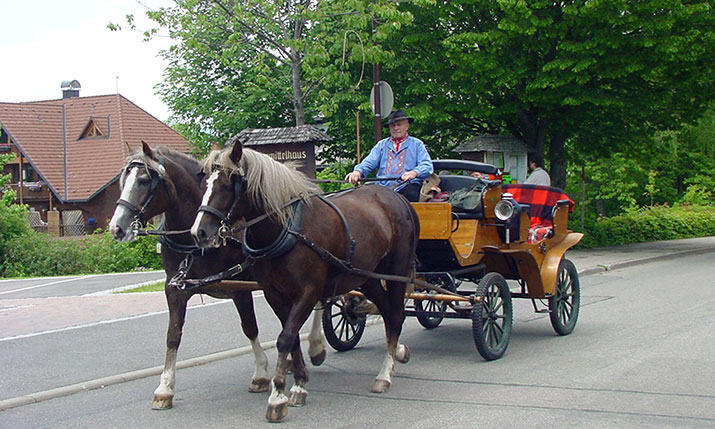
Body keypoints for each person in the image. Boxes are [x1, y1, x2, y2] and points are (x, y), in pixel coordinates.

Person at [345, 109, 433, 202]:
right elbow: (369, 161)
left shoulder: (417, 144)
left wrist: (414, 173)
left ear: (407, 126)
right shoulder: (381, 145)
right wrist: (358, 172)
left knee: (411, 194)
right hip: (383, 188)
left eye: (399, 124)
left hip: (407, 187)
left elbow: (427, 166)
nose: (396, 128)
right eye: (393, 125)